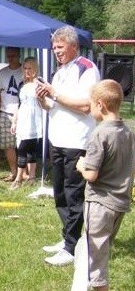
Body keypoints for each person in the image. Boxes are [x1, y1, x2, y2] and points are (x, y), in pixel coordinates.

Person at [70, 79, 135, 291]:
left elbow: (91, 175)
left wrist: (80, 166)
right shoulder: (127, 132)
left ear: (100, 105)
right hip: (120, 205)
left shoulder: (99, 134)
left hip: (99, 204)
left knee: (96, 257)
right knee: (97, 250)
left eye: (91, 104)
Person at [37, 25, 101, 266]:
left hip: (77, 141)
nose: (56, 52)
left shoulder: (87, 69)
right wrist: (43, 99)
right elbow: (52, 106)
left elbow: (86, 105)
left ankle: (73, 247)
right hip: (58, 139)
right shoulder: (59, 71)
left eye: (60, 47)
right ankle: (67, 238)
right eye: (54, 48)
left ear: (74, 45)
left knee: (74, 195)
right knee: (60, 192)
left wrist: (54, 94)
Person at [10, 57, 43, 189]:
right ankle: (19, 178)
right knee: (21, 147)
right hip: (23, 117)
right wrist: (14, 122)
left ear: (35, 69)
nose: (27, 71)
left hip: (35, 119)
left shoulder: (39, 83)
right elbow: (19, 104)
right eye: (25, 68)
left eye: (30, 68)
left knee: (31, 148)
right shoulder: (21, 84)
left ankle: (31, 176)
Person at [0, 47, 23, 181]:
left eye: (13, 56)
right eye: (8, 56)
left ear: (19, 56)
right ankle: (13, 171)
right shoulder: (2, 73)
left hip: (23, 112)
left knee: (23, 144)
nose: (10, 58)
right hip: (5, 112)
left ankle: (25, 173)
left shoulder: (25, 71)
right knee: (8, 145)